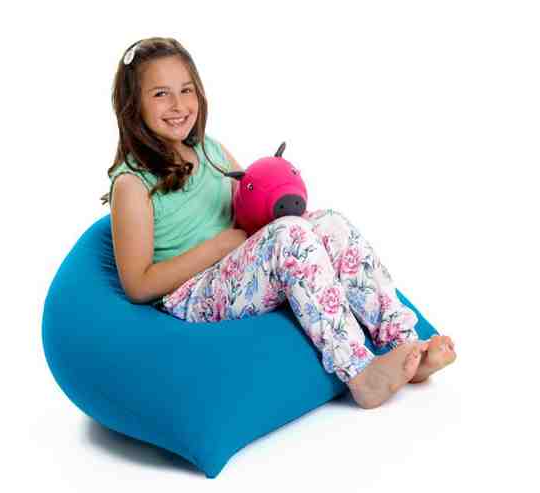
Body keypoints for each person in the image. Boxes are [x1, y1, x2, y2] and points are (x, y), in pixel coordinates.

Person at [101, 37, 456, 409]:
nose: (178, 105)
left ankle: (402, 341)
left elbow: (247, 207)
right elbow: (138, 285)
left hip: (236, 268)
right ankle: (360, 372)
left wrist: (272, 197)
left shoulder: (208, 149)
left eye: (186, 90)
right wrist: (219, 247)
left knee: (329, 223)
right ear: (133, 104)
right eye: (161, 94)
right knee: (291, 237)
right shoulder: (132, 184)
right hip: (190, 296)